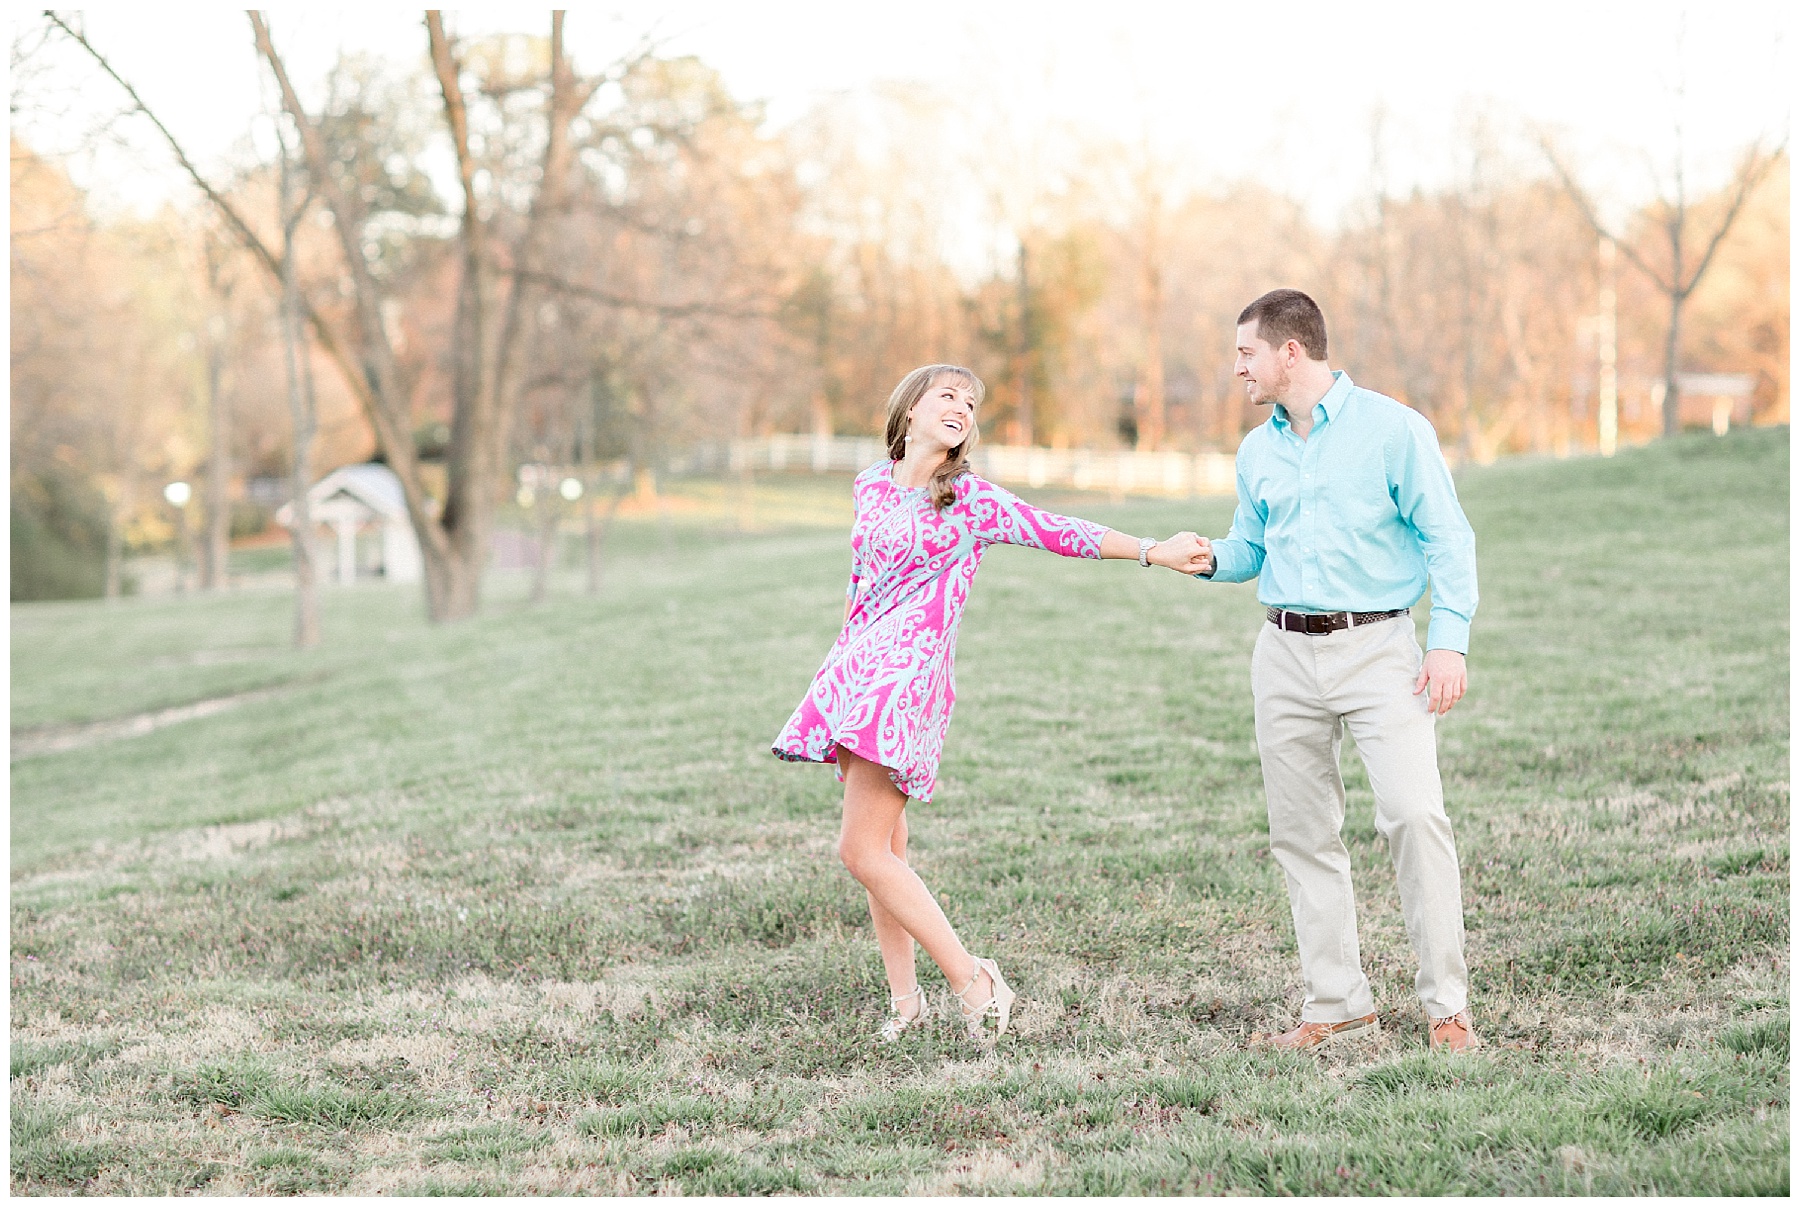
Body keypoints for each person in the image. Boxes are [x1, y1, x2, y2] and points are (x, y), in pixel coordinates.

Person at [773, 363, 1209, 1044]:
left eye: (970, 402)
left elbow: (1057, 529)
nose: (961, 406)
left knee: (859, 849)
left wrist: (1151, 550)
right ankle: (905, 1002)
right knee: (887, 844)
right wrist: (836, 674)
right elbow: (861, 585)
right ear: (910, 408)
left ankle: (976, 983)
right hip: (859, 673)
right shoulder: (869, 486)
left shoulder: (968, 501)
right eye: (947, 394)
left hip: (908, 682)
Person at [1192, 289, 1482, 1053]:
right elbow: (1253, 547)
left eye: (1246, 353)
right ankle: (1338, 1004)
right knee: (1301, 834)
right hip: (1282, 653)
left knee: (1415, 817)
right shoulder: (1257, 451)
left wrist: (1447, 640)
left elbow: (1448, 539)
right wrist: (1212, 558)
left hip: (1380, 649)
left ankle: (1446, 1007)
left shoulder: (1394, 431)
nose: (1238, 369)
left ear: (1291, 352)